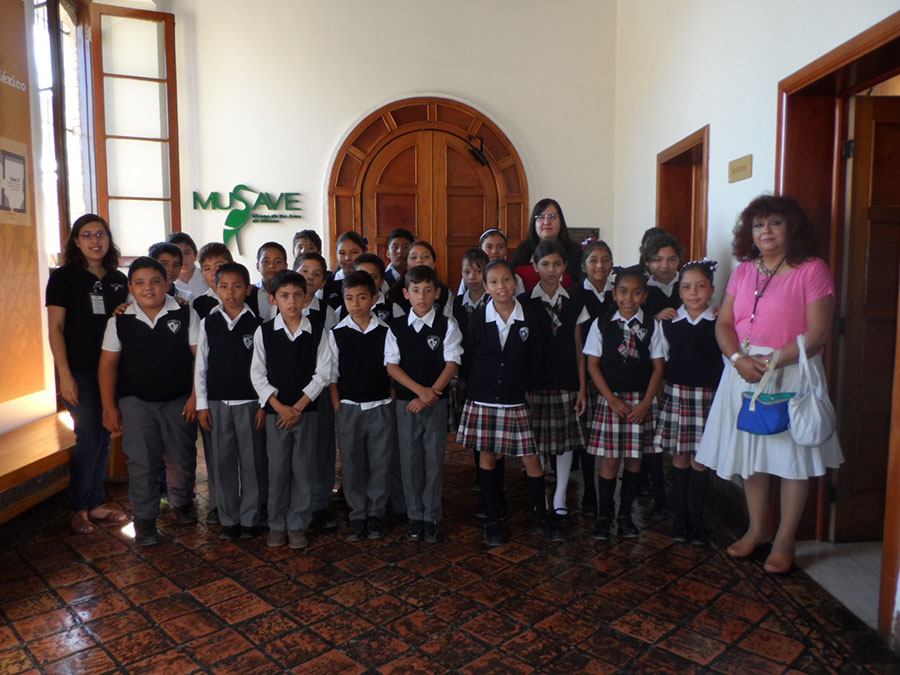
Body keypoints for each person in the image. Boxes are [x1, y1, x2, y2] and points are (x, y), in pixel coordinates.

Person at [696, 195, 843, 574]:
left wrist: (773, 361)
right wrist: (737, 359)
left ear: (792, 227)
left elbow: (818, 333)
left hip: (791, 371)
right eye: (759, 224)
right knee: (752, 456)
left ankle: (785, 539)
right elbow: (724, 324)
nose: (766, 231)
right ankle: (757, 529)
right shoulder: (743, 271)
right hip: (744, 372)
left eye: (775, 223)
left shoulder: (812, 269)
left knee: (792, 459)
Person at [458, 259, 562, 546]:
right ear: (486, 286)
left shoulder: (530, 316)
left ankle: (542, 515)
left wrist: (525, 386)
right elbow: (470, 356)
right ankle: (493, 519)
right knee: (488, 457)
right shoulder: (479, 319)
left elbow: (537, 357)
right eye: (494, 282)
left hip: (515, 398)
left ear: (515, 283)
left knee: (531, 458)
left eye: (506, 280)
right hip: (484, 398)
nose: (501, 286)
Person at [98, 257, 200, 547]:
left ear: (167, 283)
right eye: (140, 283)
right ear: (130, 287)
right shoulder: (120, 320)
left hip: (178, 399)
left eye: (155, 281)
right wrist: (109, 407)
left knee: (181, 457)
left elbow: (200, 359)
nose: (148, 288)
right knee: (141, 461)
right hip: (136, 402)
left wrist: (196, 396)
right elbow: (107, 365)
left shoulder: (185, 313)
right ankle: (144, 520)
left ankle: (182, 501)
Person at [46, 214, 130, 534]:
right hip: (79, 371)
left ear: (108, 238)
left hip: (112, 370)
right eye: (87, 235)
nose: (95, 240)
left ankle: (95, 503)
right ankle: (78, 508)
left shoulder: (118, 279)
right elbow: (55, 329)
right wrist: (64, 375)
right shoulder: (63, 278)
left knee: (105, 434)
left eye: (100, 234)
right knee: (89, 436)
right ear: (76, 241)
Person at [251, 270, 332, 549]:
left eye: (298, 295)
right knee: (277, 471)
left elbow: (323, 373)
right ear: (273, 299)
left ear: (307, 298)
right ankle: (277, 524)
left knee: (303, 470)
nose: (292, 302)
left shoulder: (317, 331)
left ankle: (297, 524)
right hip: (277, 414)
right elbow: (257, 375)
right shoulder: (264, 332)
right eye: (285, 296)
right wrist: (279, 407)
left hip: (306, 412)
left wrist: (297, 407)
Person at [583, 266, 665, 540]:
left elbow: (658, 368)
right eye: (623, 292)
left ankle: (625, 516)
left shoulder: (652, 325)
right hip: (612, 400)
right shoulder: (602, 324)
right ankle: (604, 516)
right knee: (610, 460)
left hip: (641, 401)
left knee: (634, 460)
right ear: (614, 293)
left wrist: (645, 404)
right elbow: (592, 365)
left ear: (644, 295)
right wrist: (611, 399)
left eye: (636, 292)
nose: (629, 298)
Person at [385, 265, 462, 543]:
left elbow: (452, 363)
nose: (422, 296)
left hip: (435, 404)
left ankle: (432, 516)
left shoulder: (446, 325)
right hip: (407, 405)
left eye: (428, 290)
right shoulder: (396, 327)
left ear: (437, 293)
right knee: (409, 460)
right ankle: (414, 515)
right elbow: (392, 367)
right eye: (416, 290)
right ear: (406, 294)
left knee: (434, 460)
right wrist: (420, 393)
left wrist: (431, 394)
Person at [653, 259, 722, 545]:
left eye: (700, 286)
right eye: (686, 287)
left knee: (701, 459)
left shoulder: (719, 322)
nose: (693, 293)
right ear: (679, 291)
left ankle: (697, 519)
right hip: (678, 394)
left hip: (708, 397)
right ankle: (679, 517)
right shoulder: (668, 323)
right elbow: (660, 360)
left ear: (712, 289)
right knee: (680, 456)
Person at [195, 262, 265, 541]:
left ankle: (250, 518)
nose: (230, 292)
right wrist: (202, 404)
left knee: (252, 463)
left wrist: (263, 404)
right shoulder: (208, 323)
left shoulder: (258, 325)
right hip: (217, 404)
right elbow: (201, 366)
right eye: (224, 286)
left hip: (250, 403)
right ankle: (228, 518)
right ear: (216, 288)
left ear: (248, 289)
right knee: (222, 462)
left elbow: (264, 369)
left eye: (237, 286)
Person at [518, 240, 589, 518]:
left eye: (557, 264)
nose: (551, 269)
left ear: (565, 267)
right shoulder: (524, 302)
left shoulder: (575, 301)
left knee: (564, 441)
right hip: (535, 382)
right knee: (534, 441)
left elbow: (579, 348)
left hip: (566, 380)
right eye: (545, 264)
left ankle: (560, 495)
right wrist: (521, 386)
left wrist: (582, 387)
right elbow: (521, 349)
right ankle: (537, 494)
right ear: (535, 266)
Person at [328, 270, 396, 542]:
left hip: (380, 406)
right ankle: (357, 514)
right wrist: (339, 408)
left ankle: (376, 512)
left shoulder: (386, 331)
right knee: (352, 463)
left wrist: (389, 402)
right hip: (349, 408)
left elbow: (393, 371)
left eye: (361, 297)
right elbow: (332, 377)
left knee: (380, 462)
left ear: (374, 298)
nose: (355, 304)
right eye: (349, 298)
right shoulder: (337, 334)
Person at [568, 239, 615, 517]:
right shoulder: (574, 294)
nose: (600, 265)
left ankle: (609, 489)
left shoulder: (618, 293)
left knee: (612, 437)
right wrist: (582, 383)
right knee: (588, 435)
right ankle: (589, 490)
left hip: (614, 372)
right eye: (594, 260)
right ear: (584, 266)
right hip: (586, 371)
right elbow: (575, 342)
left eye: (606, 259)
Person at [296, 252, 339, 531]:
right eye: (304, 271)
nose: (309, 277)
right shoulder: (277, 306)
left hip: (320, 389)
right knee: (294, 448)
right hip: (287, 391)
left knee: (322, 446)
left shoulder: (327, 312)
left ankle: (320, 503)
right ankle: (295, 502)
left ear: (323, 282)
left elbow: (332, 358)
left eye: (316, 274)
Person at [510, 198, 583, 290]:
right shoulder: (523, 250)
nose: (547, 222)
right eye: (541, 217)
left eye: (552, 217)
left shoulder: (574, 251)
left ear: (561, 221)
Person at [337, 253, 405, 323]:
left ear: (382, 281)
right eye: (361, 277)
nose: (366, 282)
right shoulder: (341, 311)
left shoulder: (394, 310)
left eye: (373, 277)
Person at [455, 229, 525, 297]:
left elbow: (521, 301)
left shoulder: (514, 278)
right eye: (489, 247)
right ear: (481, 249)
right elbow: (461, 298)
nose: (494, 251)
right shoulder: (471, 277)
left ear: (506, 250)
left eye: (500, 247)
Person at [641, 232, 686, 320]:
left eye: (672, 260)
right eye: (658, 260)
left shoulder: (687, 284)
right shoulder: (642, 288)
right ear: (647, 261)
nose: (665, 266)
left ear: (679, 260)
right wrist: (655, 318)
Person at [322, 231, 368, 310]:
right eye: (342, 253)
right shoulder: (326, 283)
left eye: (354, 252)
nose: (347, 258)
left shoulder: (372, 279)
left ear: (364, 252)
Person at [192, 243, 233, 320]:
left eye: (219, 266)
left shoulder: (248, 294)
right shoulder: (200, 304)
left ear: (233, 266)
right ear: (202, 273)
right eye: (207, 269)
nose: (213, 273)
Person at [169, 232, 209, 300]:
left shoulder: (207, 277)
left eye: (187, 253)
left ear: (196, 255)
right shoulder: (168, 284)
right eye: (177, 254)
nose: (183, 258)